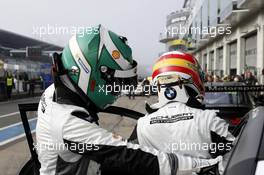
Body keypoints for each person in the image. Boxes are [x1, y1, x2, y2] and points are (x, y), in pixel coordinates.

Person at [36, 26, 222, 175]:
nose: (118, 90)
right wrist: (203, 166)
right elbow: (133, 157)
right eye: (115, 82)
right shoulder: (67, 122)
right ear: (89, 75)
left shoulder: (57, 91)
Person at [133, 51, 235, 174]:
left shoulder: (141, 125)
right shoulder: (208, 120)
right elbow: (238, 156)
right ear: (193, 78)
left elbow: (129, 163)